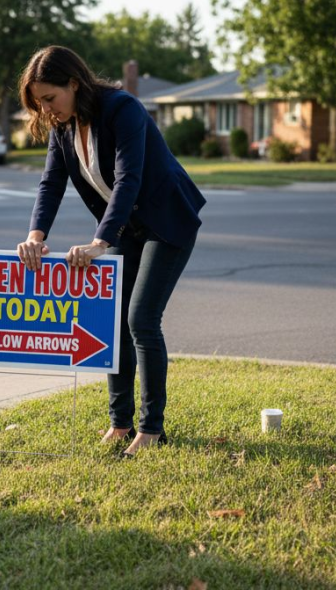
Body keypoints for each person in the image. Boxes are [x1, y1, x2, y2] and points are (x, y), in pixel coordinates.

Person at [16, 45, 206, 458]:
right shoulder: (62, 127)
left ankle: (151, 429)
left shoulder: (122, 109)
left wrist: (100, 240)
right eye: (38, 104)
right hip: (123, 226)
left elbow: (128, 179)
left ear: (74, 83)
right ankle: (120, 423)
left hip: (167, 220)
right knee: (113, 323)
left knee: (141, 318)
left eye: (49, 98)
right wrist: (35, 235)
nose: (46, 110)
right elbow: (51, 184)